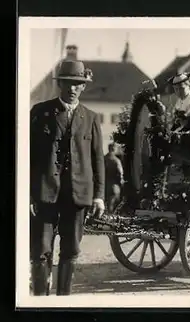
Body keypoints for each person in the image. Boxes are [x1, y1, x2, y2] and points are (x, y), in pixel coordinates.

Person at [30, 60, 105, 296]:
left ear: (83, 87)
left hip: (77, 194)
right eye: (67, 83)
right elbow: (28, 156)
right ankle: (40, 302)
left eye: (77, 84)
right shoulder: (40, 112)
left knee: (71, 250)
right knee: (41, 251)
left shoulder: (91, 118)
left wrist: (99, 196)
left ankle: (63, 301)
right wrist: (28, 193)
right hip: (45, 193)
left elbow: (97, 161)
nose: (72, 89)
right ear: (59, 84)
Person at [104, 142, 124, 214]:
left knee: (106, 203)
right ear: (114, 149)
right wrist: (121, 182)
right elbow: (120, 173)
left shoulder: (104, 159)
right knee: (113, 203)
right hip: (114, 185)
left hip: (105, 184)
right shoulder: (116, 160)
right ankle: (110, 216)